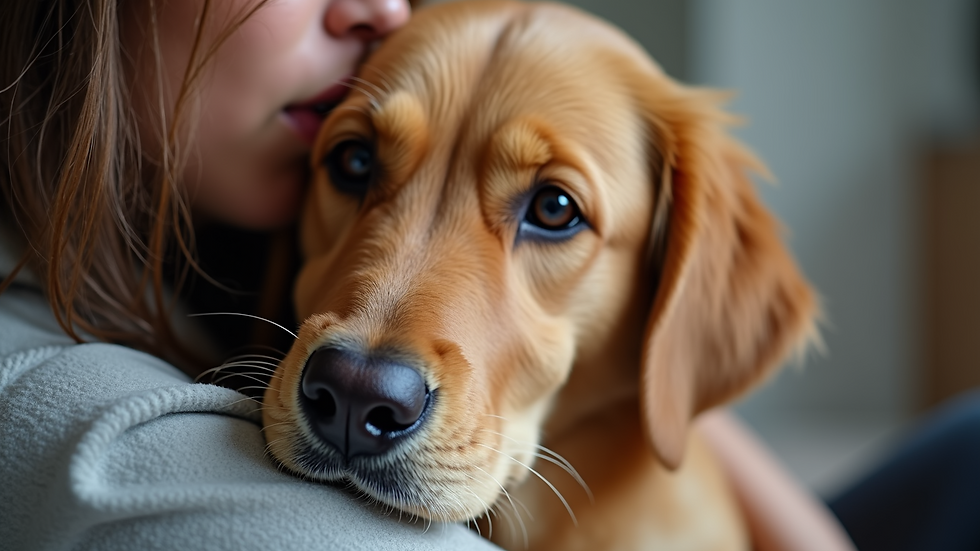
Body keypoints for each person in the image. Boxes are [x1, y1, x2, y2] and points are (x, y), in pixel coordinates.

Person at [0, 0, 856, 550]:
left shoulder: (234, 198)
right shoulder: (82, 395)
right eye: (359, 162)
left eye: (553, 209)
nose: (368, 369)